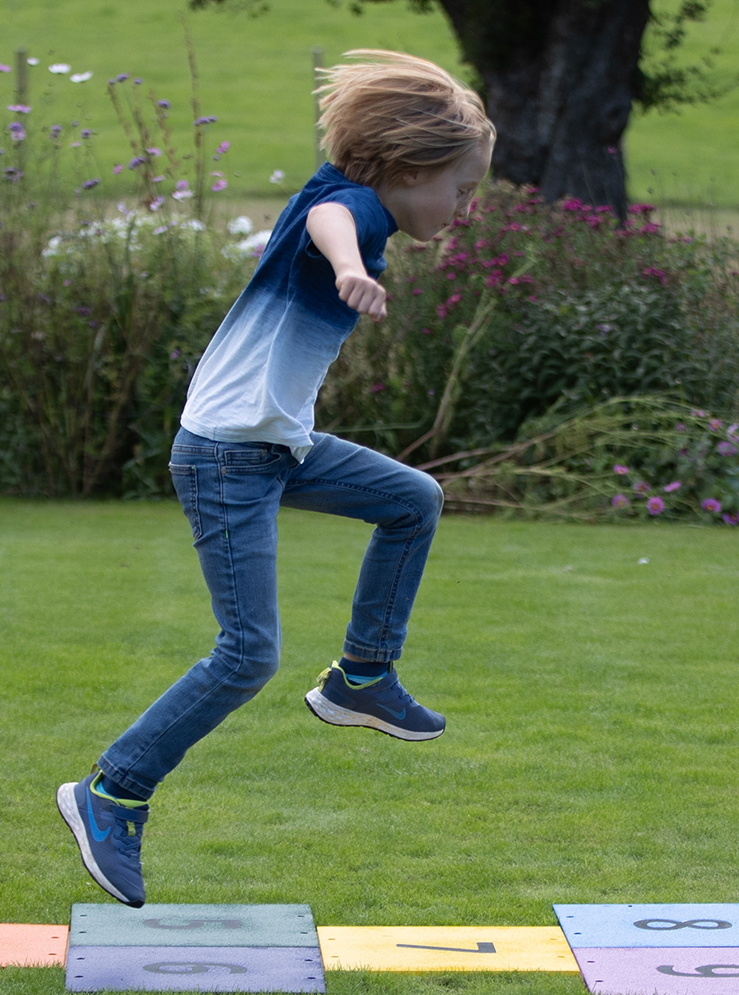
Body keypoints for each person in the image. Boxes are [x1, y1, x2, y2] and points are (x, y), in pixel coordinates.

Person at [57, 51, 495, 908]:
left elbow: (336, 201)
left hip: (270, 448)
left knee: (413, 499)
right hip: (228, 456)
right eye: (461, 188)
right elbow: (337, 216)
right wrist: (346, 266)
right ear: (408, 171)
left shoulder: (350, 194)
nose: (466, 208)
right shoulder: (353, 210)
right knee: (249, 651)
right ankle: (112, 790)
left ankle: (361, 678)